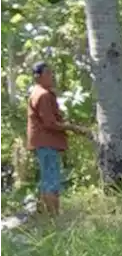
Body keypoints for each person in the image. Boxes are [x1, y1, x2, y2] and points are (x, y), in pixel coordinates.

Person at [26, 62, 89, 217]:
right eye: (47, 73)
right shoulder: (43, 95)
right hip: (47, 142)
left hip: (44, 142)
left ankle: (47, 216)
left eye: (51, 73)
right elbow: (50, 123)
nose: (51, 76)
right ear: (38, 77)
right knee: (51, 180)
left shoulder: (37, 93)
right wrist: (73, 127)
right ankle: (54, 218)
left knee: (48, 178)